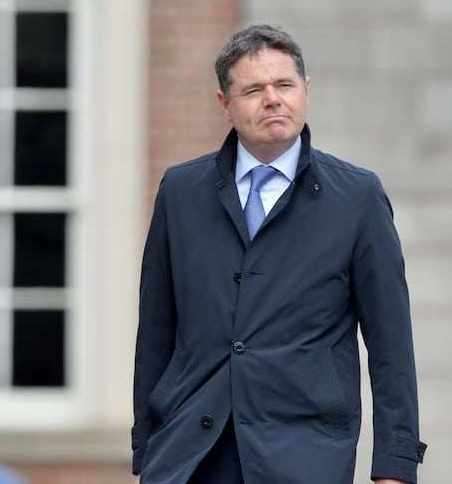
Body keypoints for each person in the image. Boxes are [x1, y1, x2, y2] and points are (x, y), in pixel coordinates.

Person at [131, 24, 426, 483]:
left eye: (284, 85)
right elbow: (155, 333)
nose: (272, 99)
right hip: (190, 455)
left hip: (305, 456)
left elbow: (391, 345)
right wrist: (147, 451)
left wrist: (396, 467)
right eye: (253, 89)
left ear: (305, 91)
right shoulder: (181, 192)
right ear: (224, 105)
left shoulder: (358, 196)